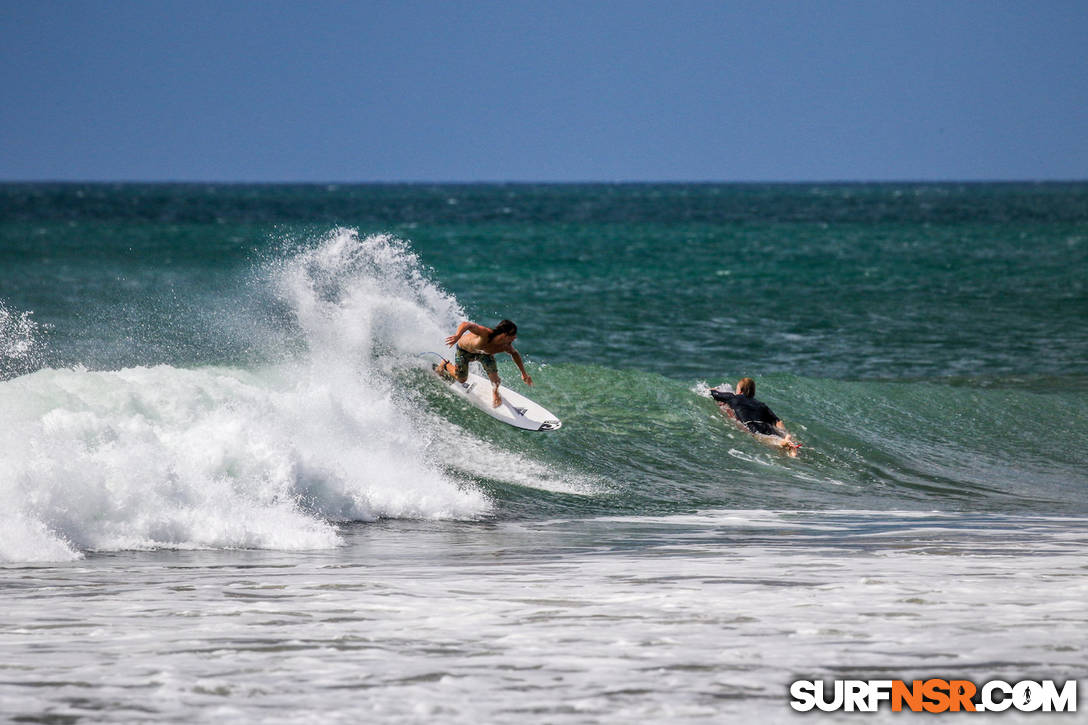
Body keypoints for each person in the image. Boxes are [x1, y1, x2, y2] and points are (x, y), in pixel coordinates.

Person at [437, 319, 532, 408]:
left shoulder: (505, 346)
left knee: (496, 381)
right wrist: (457, 336)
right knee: (461, 379)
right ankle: (445, 364)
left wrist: (524, 374)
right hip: (464, 352)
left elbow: (515, 354)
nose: (515, 337)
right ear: (504, 335)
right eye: (513, 334)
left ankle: (495, 392)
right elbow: (467, 324)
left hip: (484, 355)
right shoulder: (485, 333)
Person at [710, 377, 797, 449]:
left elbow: (713, 393)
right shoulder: (761, 404)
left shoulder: (732, 397)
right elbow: (778, 422)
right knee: (778, 438)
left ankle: (783, 442)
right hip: (767, 426)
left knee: (761, 438)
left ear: (740, 390)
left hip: (752, 425)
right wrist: (784, 432)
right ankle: (788, 440)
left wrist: (713, 389)